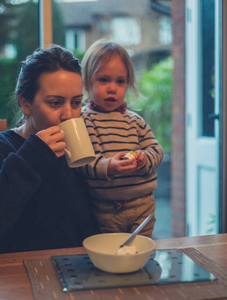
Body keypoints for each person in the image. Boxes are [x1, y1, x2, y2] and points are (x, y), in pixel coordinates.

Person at [0, 46, 99, 260]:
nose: (69, 115)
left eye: (76, 103)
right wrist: (30, 159)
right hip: (14, 281)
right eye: (55, 103)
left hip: (71, 277)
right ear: (25, 104)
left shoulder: (74, 154)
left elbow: (86, 229)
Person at [79, 39, 163, 238]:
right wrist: (108, 166)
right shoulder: (83, 120)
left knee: (141, 252)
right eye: (103, 80)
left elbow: (156, 150)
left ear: (128, 85)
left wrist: (144, 159)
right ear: (86, 83)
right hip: (105, 209)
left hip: (143, 204)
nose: (112, 88)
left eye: (120, 81)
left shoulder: (135, 121)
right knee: (110, 254)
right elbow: (82, 161)